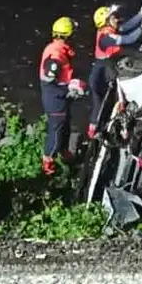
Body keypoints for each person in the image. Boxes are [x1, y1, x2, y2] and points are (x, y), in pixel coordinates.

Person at [87, 3, 142, 137]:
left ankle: (101, 129)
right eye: (113, 17)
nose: (116, 19)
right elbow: (129, 38)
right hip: (101, 74)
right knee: (101, 105)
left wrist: (141, 14)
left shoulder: (109, 30)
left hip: (105, 68)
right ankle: (94, 134)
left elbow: (126, 27)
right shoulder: (106, 37)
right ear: (106, 22)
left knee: (106, 102)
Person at [39, 16, 87, 176]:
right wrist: (69, 90)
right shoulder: (56, 55)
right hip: (55, 101)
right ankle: (48, 164)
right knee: (56, 132)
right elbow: (49, 83)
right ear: (68, 36)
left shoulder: (57, 49)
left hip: (60, 97)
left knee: (65, 127)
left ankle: (65, 154)